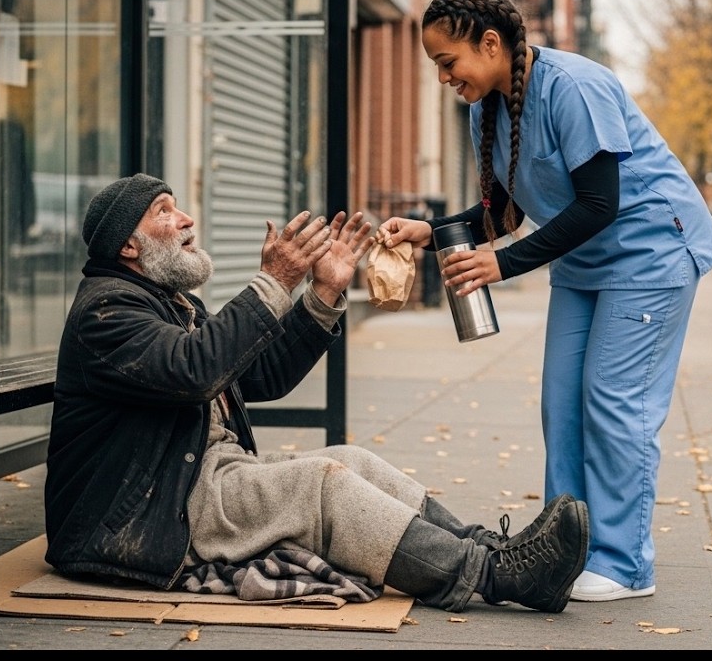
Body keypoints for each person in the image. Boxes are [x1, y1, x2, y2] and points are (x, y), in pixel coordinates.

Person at [43, 173, 589, 615]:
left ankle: (490, 546)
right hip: (145, 514)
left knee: (352, 461)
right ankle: (496, 576)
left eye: (177, 205)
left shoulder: (167, 301)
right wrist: (274, 282)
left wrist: (323, 292)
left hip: (194, 480)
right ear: (129, 245)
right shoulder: (105, 311)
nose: (185, 218)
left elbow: (260, 377)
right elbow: (196, 371)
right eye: (164, 211)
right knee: (319, 486)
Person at [378, 0, 712, 603]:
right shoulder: (488, 107)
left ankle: (625, 564)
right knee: (561, 404)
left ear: (490, 44)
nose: (444, 78)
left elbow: (598, 203)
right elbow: (504, 210)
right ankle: (568, 550)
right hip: (583, 262)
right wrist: (431, 232)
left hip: (651, 253)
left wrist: (503, 265)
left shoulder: (574, 87)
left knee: (615, 402)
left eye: (447, 62)